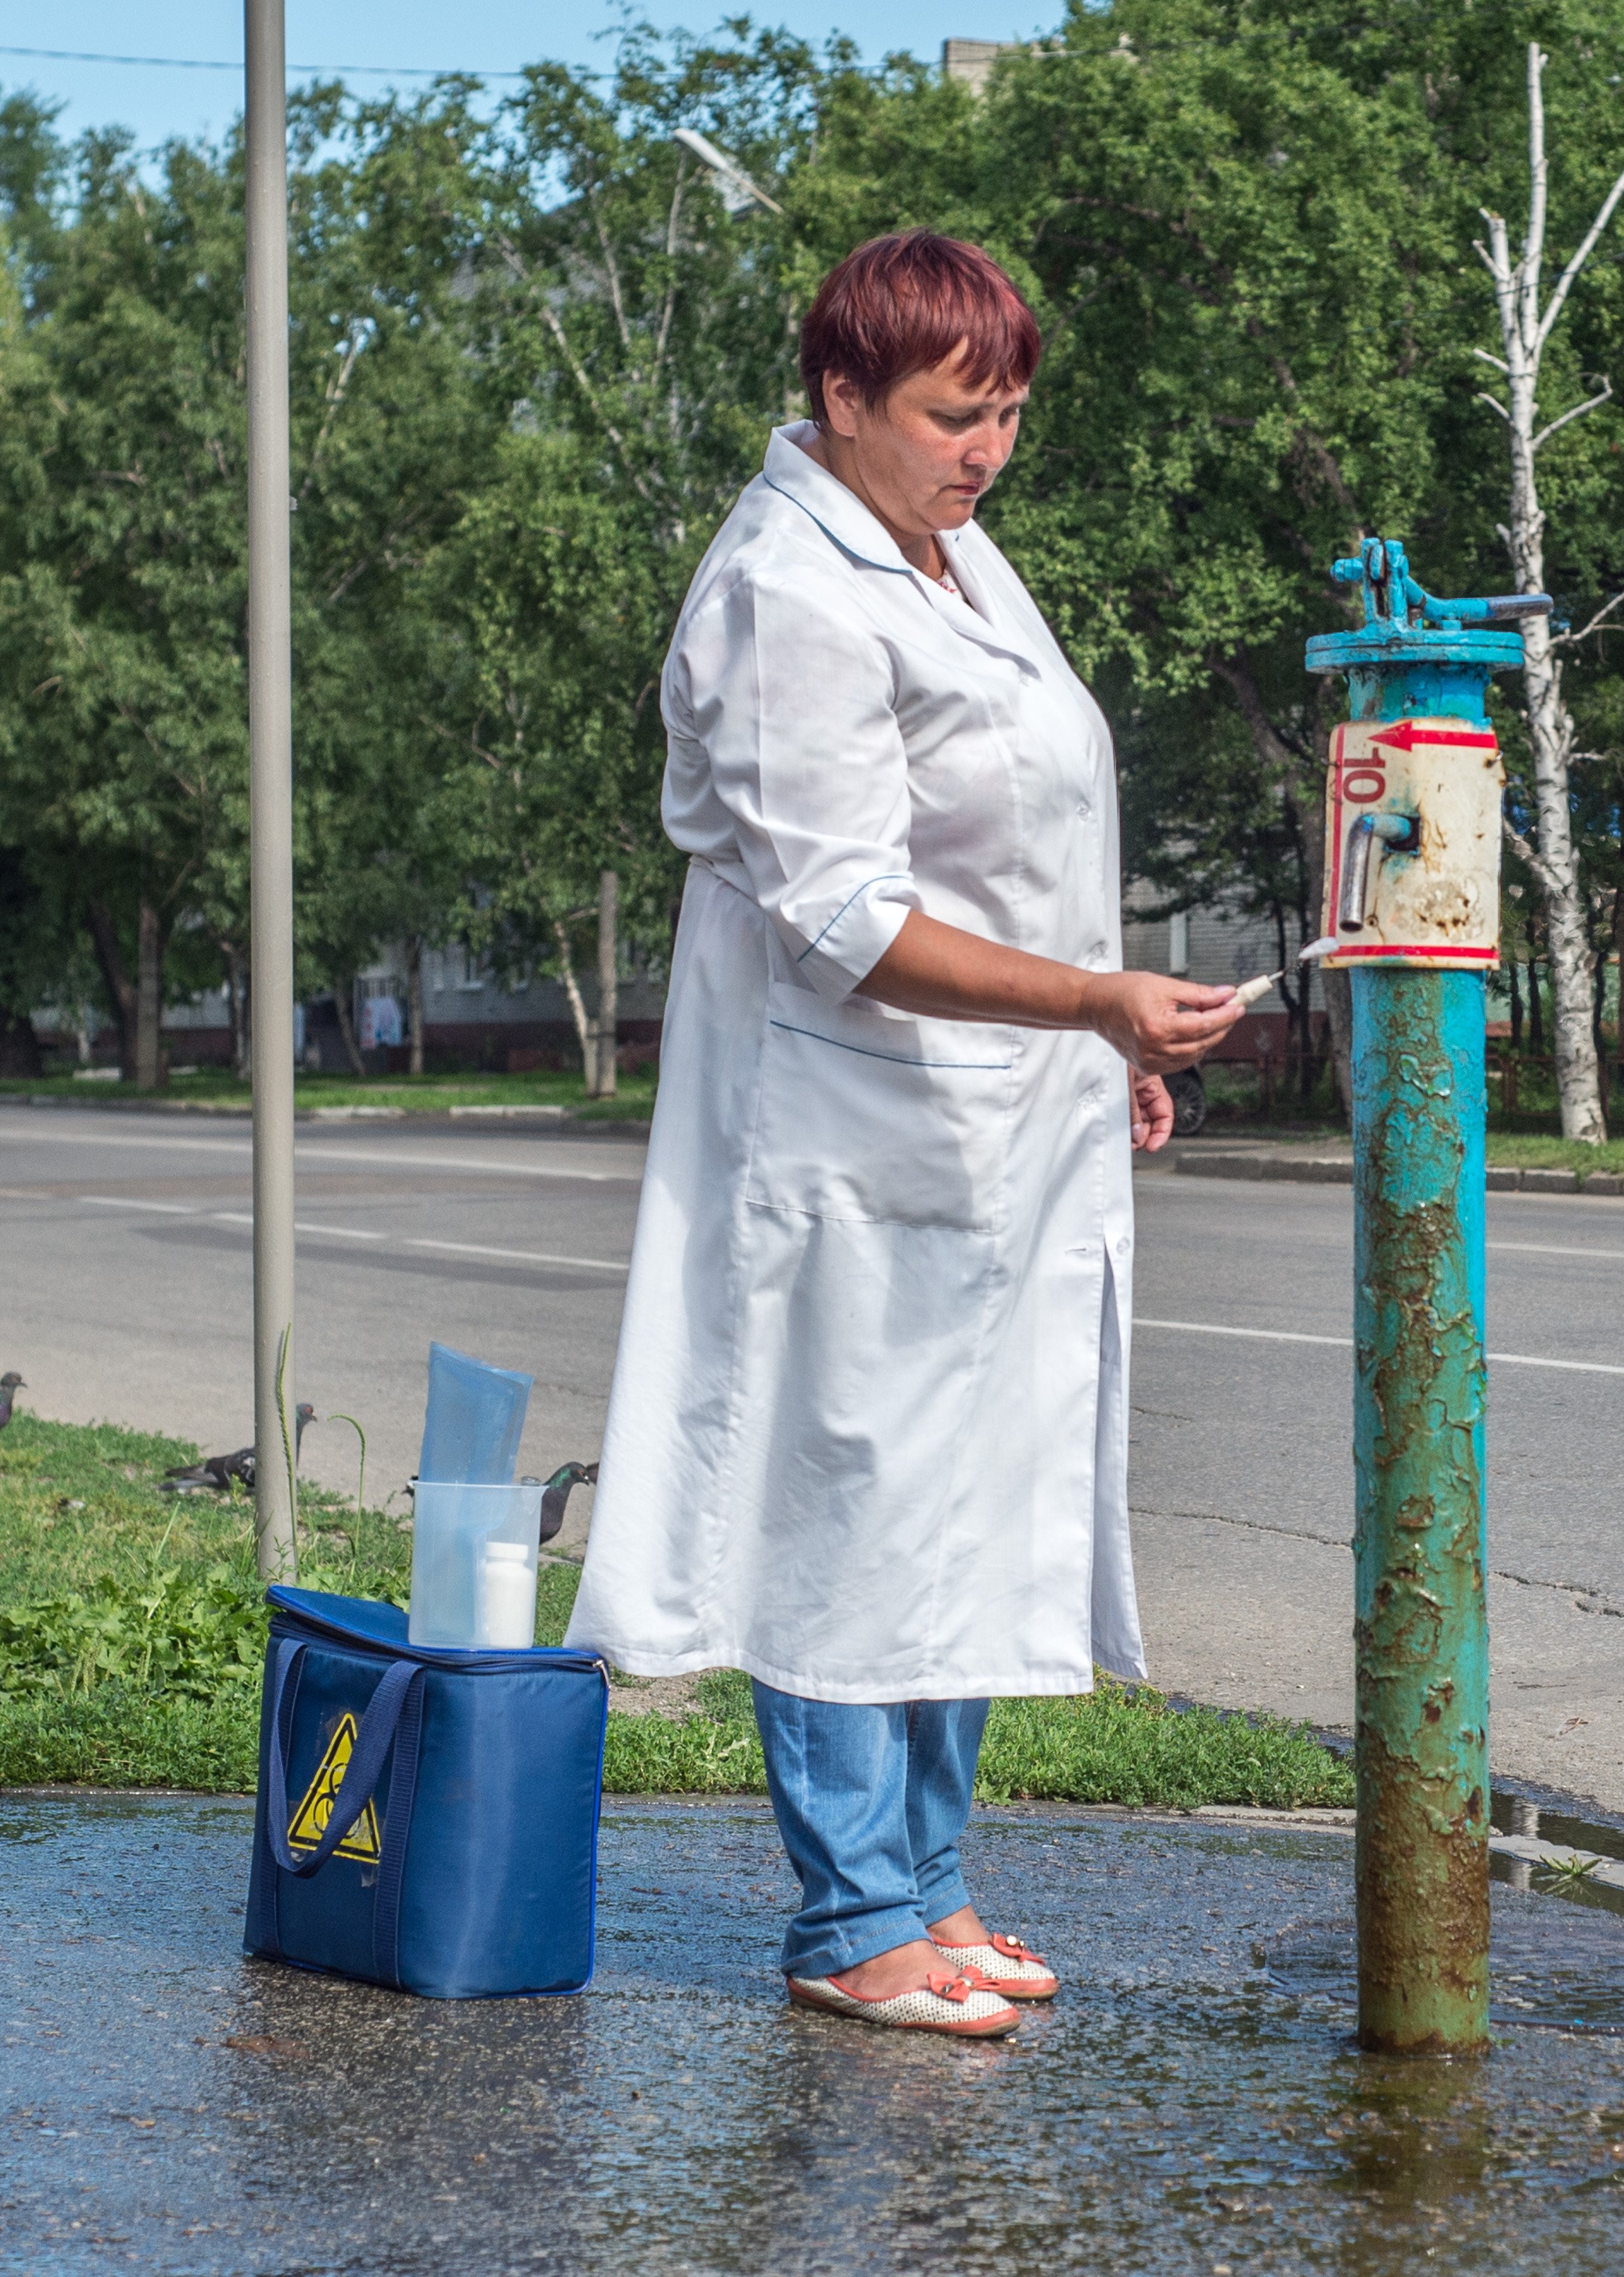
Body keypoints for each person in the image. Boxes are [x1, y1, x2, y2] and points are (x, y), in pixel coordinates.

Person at [567, 231, 1241, 2039]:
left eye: (1011, 410)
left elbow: (1013, 837)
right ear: (841, 396)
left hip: (993, 1118)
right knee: (850, 1509)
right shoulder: (795, 586)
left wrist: (1100, 1040)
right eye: (956, 412)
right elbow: (848, 919)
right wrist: (1093, 1004)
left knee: (957, 1509)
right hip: (846, 1127)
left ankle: (929, 1890)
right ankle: (852, 1916)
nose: (989, 447)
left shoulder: (947, 554)